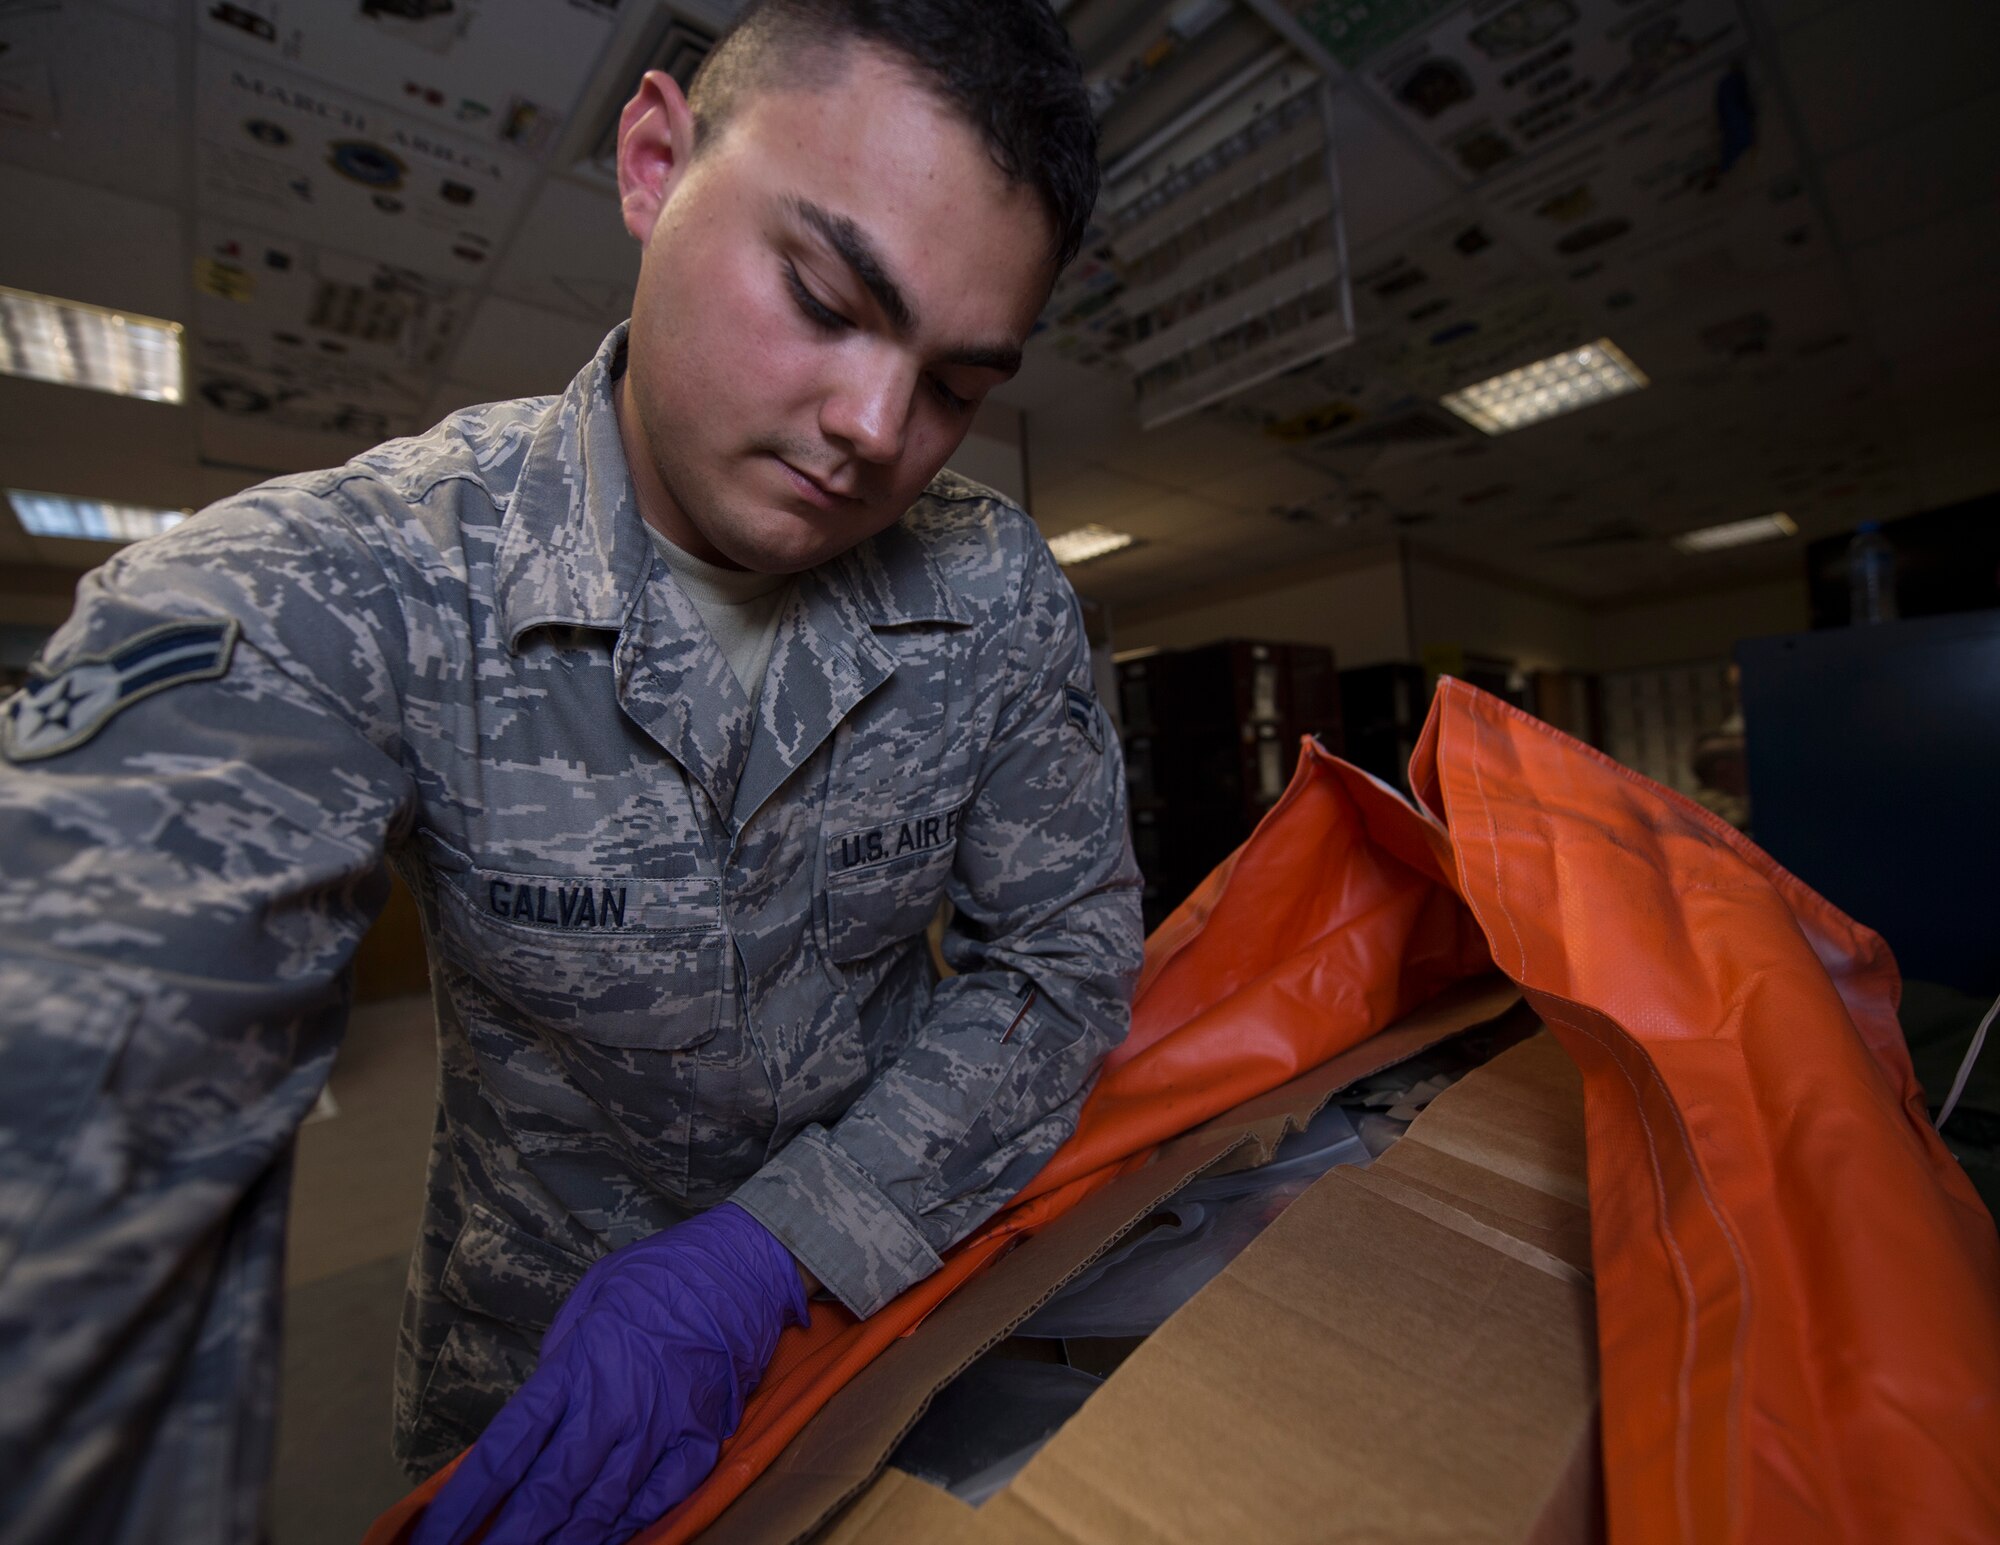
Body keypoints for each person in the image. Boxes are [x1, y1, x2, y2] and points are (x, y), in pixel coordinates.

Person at [0, 2, 1141, 1540]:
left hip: (875, 1310)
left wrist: (770, 1252)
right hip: (528, 1392)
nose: (877, 430)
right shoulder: (364, 580)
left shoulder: (992, 592)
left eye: (954, 387)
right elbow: (83, 1123)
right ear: (655, 162)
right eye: (821, 297)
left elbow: (1063, 961)